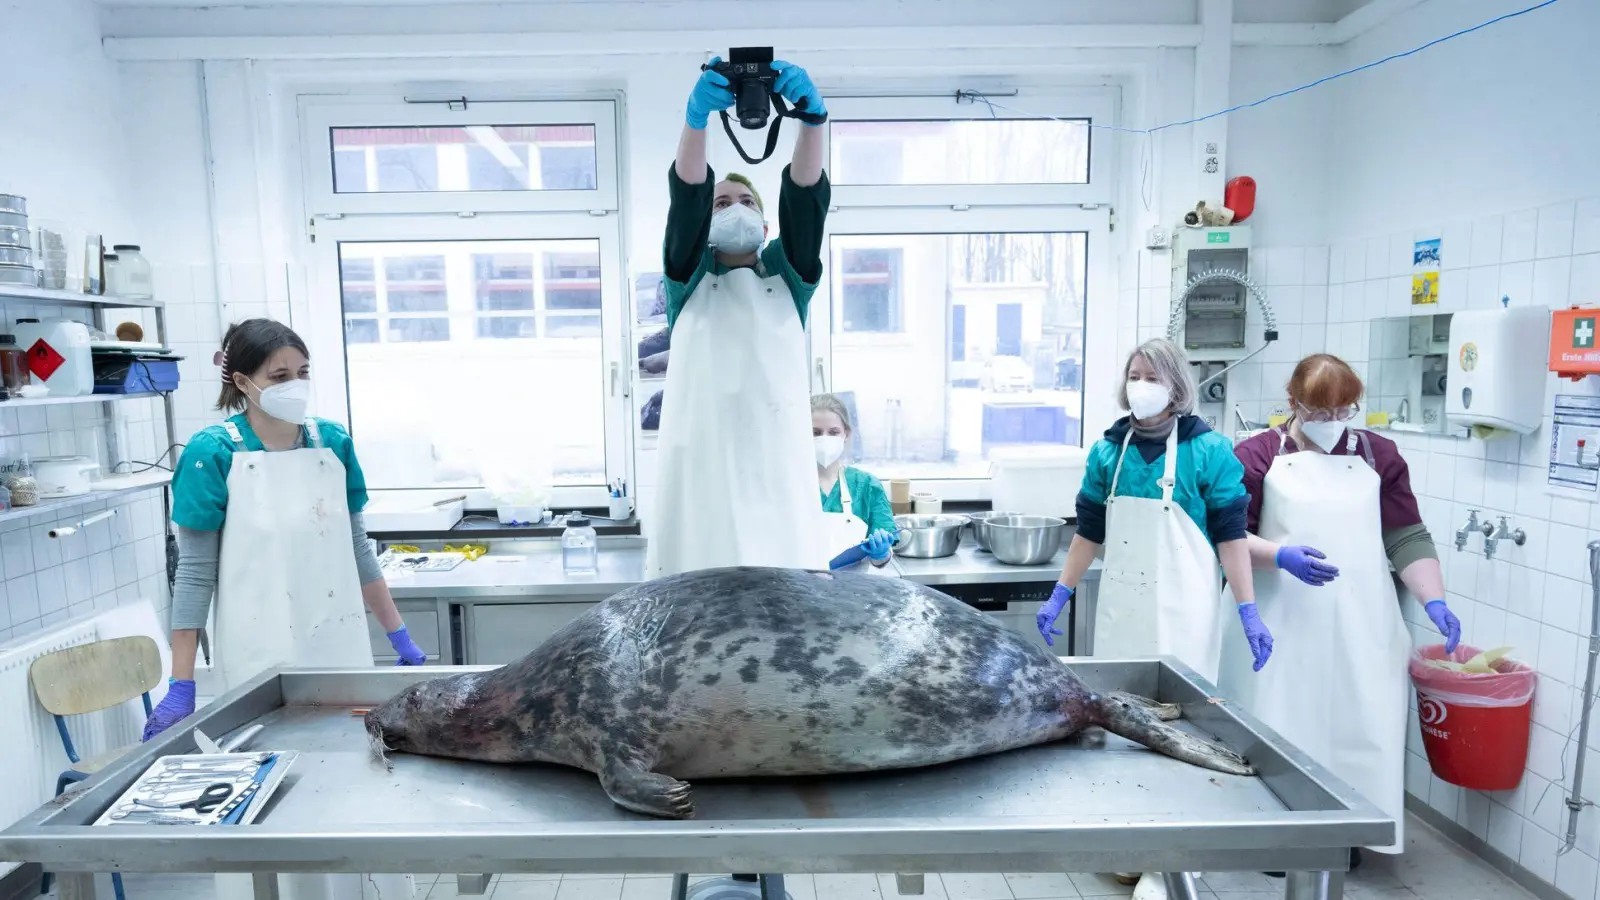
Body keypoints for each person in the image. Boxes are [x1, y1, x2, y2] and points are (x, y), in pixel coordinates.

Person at [141, 319, 416, 900]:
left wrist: (401, 640)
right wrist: (181, 684)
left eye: (303, 372)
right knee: (274, 801)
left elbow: (357, 549)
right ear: (242, 381)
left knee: (354, 789)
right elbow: (194, 575)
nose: (296, 384)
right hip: (258, 661)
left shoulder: (331, 443)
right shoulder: (210, 454)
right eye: (279, 375)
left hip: (339, 653)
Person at [1035, 338, 1269, 900]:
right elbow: (1089, 531)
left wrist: (1249, 608)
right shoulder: (1108, 452)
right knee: (1114, 724)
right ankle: (1125, 843)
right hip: (1123, 612)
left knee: (1182, 730)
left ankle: (1176, 852)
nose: (1140, 385)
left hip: (1185, 615)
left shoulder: (1209, 452)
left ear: (1176, 385)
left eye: (1151, 376)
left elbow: (1231, 537)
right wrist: (1059, 593)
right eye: (1133, 374)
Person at [1223, 353, 1462, 868]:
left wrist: (1434, 598)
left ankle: (1346, 833)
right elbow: (1227, 536)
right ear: (1293, 404)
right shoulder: (1258, 455)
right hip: (1278, 618)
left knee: (1362, 721)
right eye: (1320, 412)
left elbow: (1405, 535)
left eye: (1343, 411)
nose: (1333, 423)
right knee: (1283, 723)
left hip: (1362, 620)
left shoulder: (1380, 456)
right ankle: (1273, 836)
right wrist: (1279, 556)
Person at [646, 56, 833, 580]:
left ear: (764, 221)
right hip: (701, 482)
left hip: (775, 480)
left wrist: (812, 122)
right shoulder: (688, 279)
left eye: (745, 201)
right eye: (721, 202)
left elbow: (804, 198)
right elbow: (685, 197)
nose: (734, 208)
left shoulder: (786, 278)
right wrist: (697, 121)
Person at [812, 394, 897, 571]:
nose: (825, 438)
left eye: (833, 432)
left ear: (846, 434)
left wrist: (880, 553)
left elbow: (881, 561)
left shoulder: (866, 486)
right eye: (816, 433)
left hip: (852, 593)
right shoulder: (789, 488)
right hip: (798, 593)